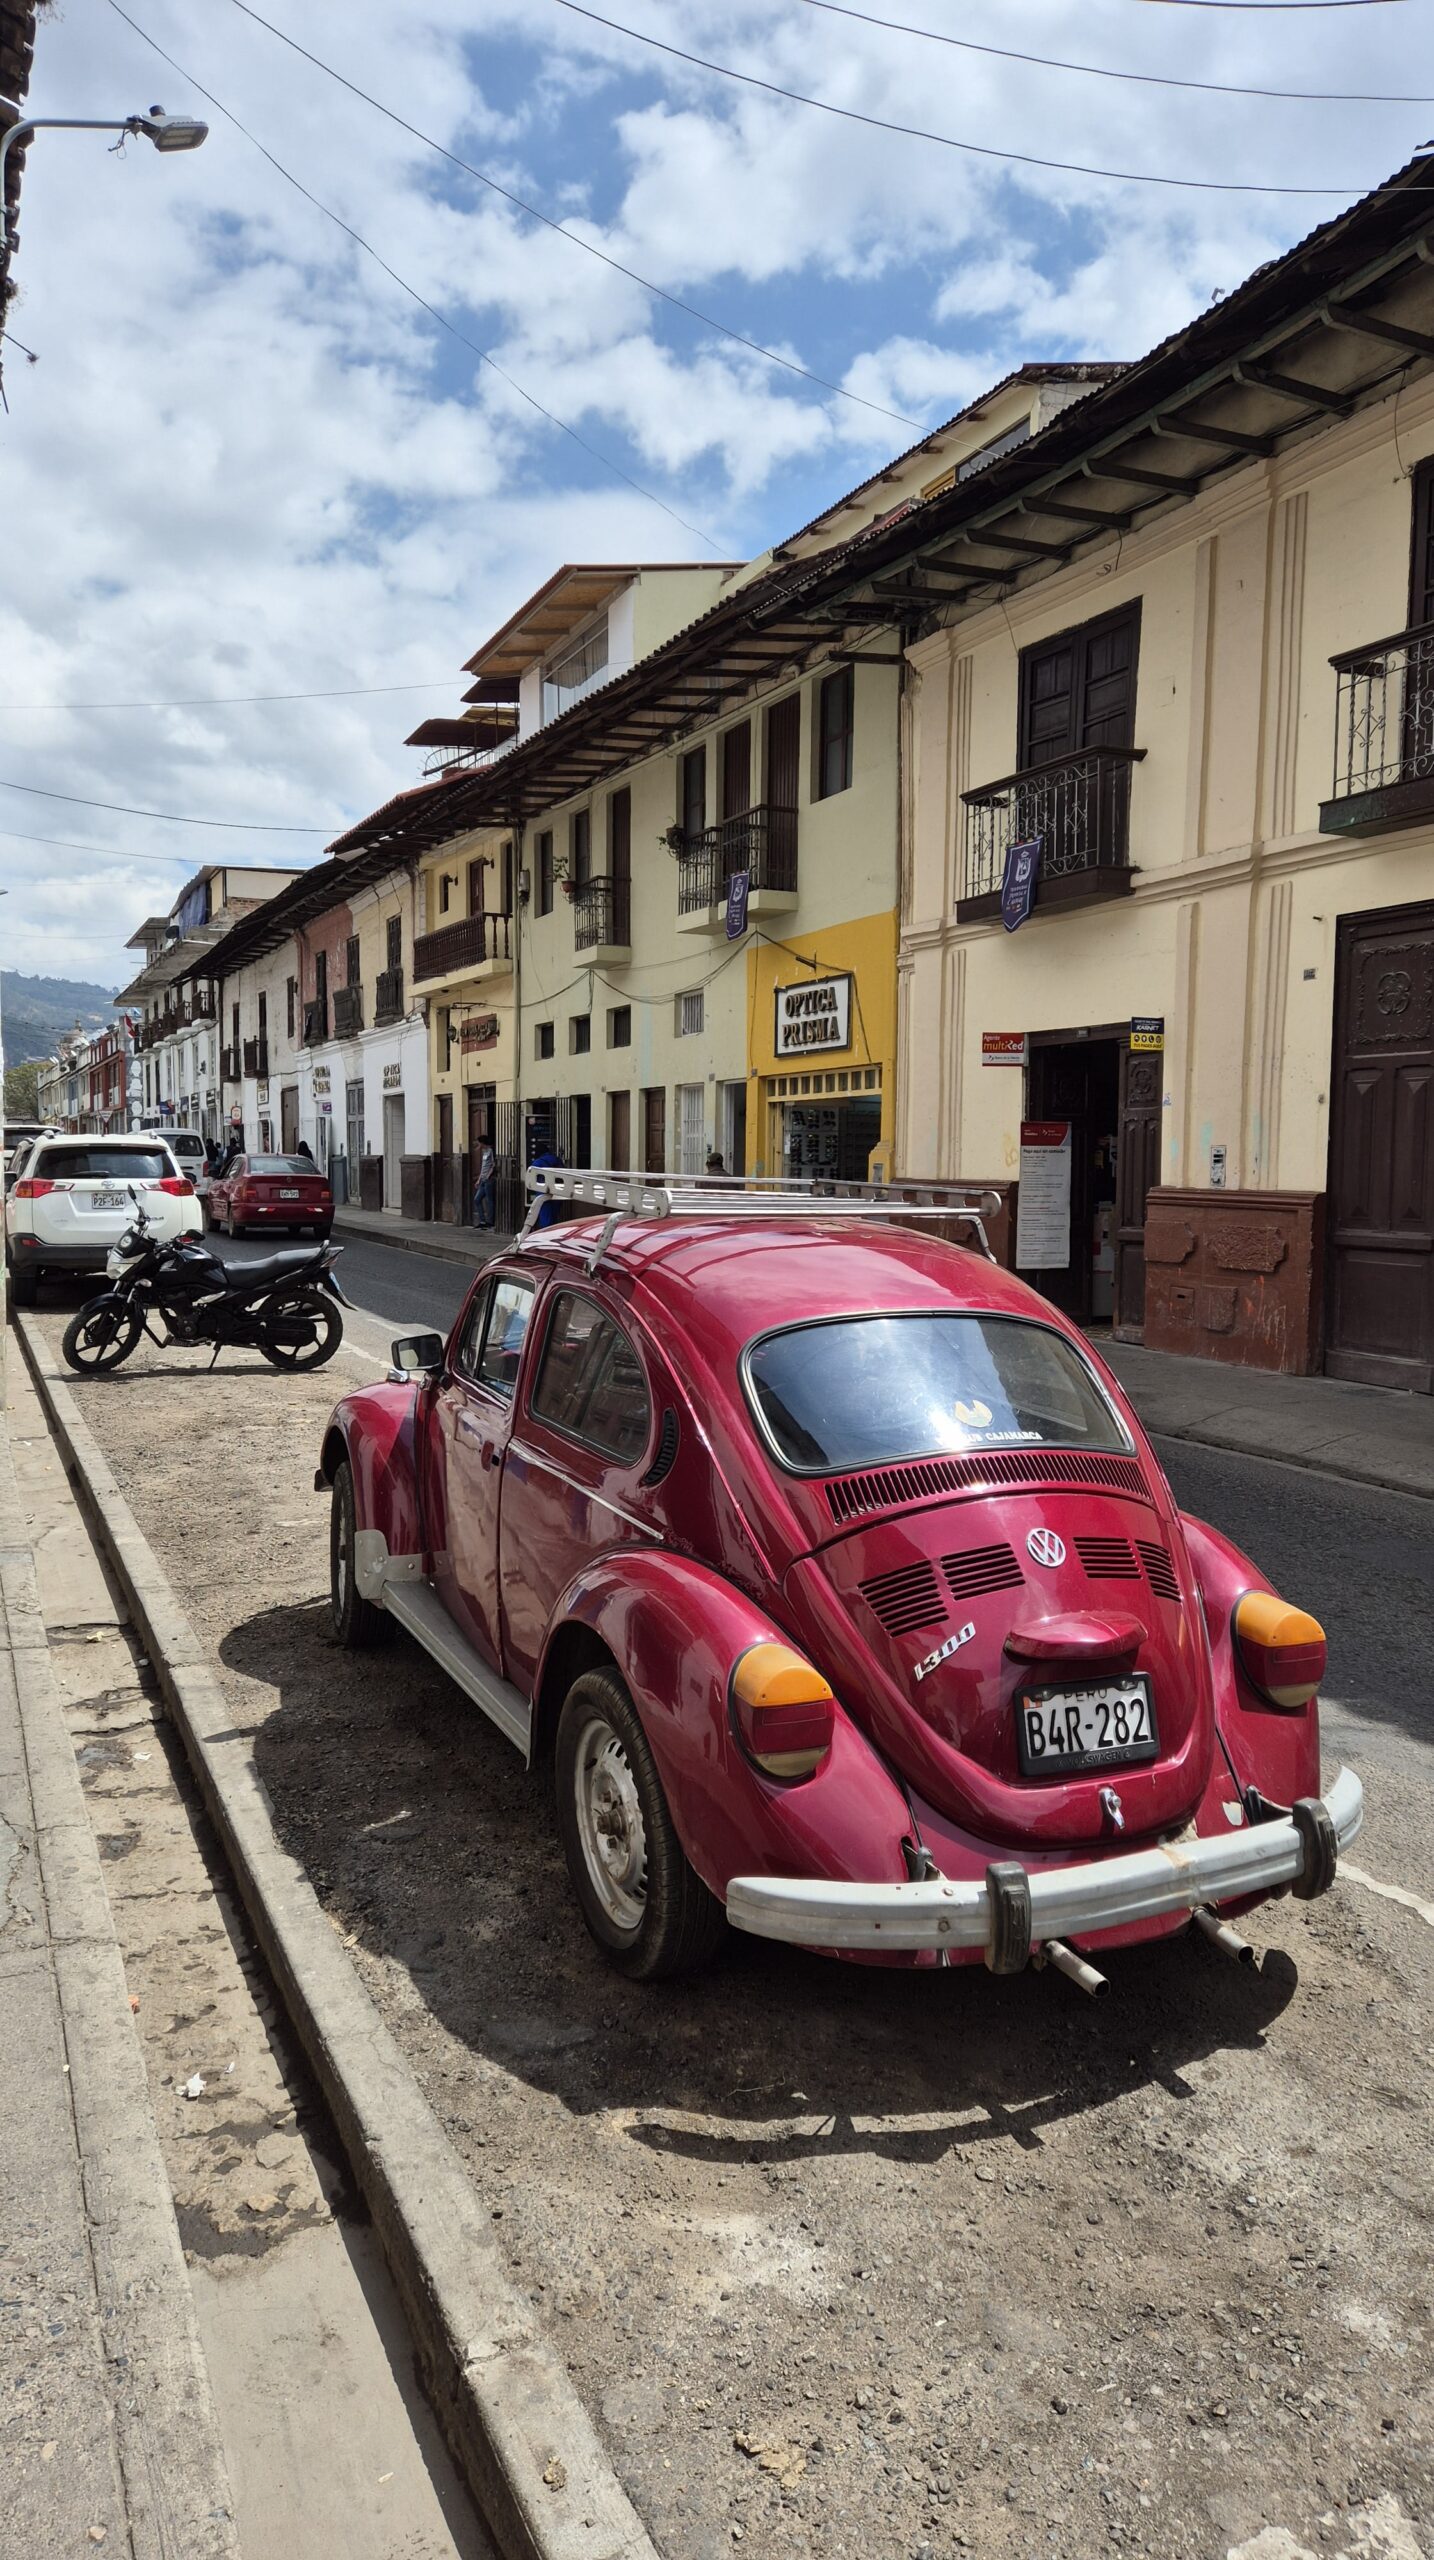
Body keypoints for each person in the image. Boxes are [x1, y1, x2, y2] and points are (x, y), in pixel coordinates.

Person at [472, 1137, 497, 1231]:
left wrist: (488, 1175)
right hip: (483, 1179)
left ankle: (490, 1222)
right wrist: (479, 1179)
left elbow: (493, 1165)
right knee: (477, 1199)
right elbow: (483, 1166)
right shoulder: (484, 1152)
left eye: (479, 1143)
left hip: (489, 1179)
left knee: (489, 1200)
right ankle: (482, 1221)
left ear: (483, 1143)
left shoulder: (491, 1151)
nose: (478, 1145)